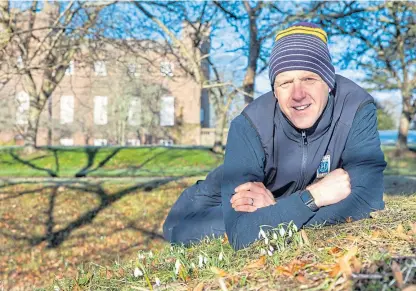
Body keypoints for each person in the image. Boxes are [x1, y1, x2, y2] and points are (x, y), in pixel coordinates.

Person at [163, 22, 387, 250]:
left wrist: (274, 212)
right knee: (187, 233)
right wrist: (312, 198)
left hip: (269, 201)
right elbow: (242, 234)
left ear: (328, 83)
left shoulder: (356, 108)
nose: (298, 94)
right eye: (285, 83)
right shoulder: (249, 124)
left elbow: (367, 201)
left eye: (309, 79)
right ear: (275, 91)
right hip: (200, 209)